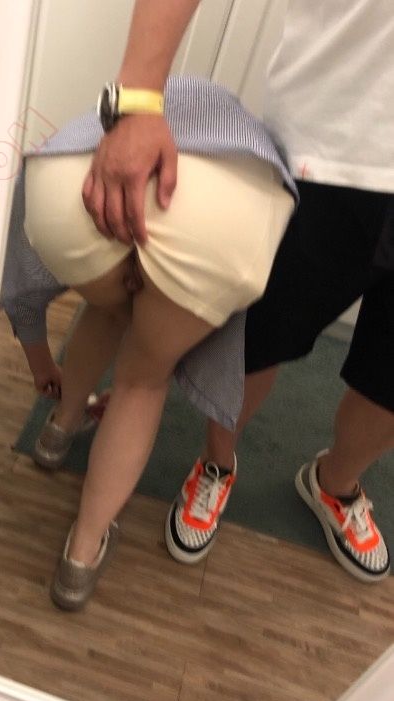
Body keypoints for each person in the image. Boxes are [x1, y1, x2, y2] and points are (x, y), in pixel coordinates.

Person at [83, 0, 393, 584]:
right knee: (258, 339)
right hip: (332, 145)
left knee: (389, 380)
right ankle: (217, 463)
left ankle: (336, 485)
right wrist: (138, 99)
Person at [23, 73, 297, 607]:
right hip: (214, 222)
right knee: (142, 380)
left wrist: (36, 352)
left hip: (74, 190)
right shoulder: (251, 140)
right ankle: (80, 557)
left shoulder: (138, 102)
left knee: (106, 309)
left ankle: (57, 431)